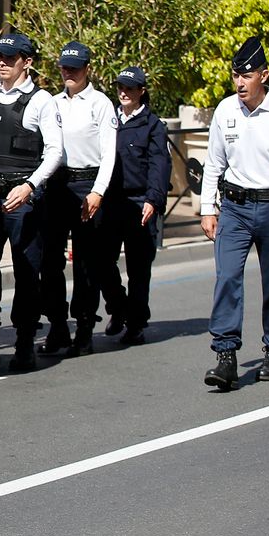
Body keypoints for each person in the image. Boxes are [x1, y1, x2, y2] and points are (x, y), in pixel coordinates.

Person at [200, 37, 269, 391]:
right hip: (234, 208)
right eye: (236, 76)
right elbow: (214, 164)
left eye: (247, 76)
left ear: (263, 75)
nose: (240, 83)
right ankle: (226, 356)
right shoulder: (225, 111)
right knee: (227, 277)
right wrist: (207, 209)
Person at [0, 32, 63, 374]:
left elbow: (54, 152)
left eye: (10, 58)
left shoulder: (42, 101)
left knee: (25, 272)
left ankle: (24, 344)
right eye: (0, 58)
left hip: (23, 198)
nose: (3, 63)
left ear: (28, 62)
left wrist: (30, 185)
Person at [39, 42, 117, 357]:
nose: (68, 73)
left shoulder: (100, 104)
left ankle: (84, 326)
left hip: (87, 183)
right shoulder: (52, 102)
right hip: (56, 185)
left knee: (86, 262)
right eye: (64, 67)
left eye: (75, 67)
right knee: (49, 260)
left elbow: (109, 152)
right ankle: (58, 325)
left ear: (87, 69)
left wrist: (98, 191)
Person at [100, 67, 170, 346]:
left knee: (139, 269)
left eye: (130, 88)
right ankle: (118, 308)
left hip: (140, 202)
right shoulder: (109, 119)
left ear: (141, 91)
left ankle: (136, 323)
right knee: (102, 262)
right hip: (111, 201)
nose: (124, 93)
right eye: (120, 87)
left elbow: (159, 165)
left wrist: (153, 200)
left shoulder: (153, 125)